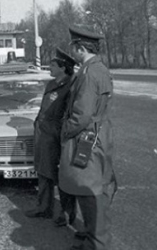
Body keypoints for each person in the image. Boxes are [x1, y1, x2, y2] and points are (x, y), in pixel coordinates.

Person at [59, 27, 116, 250]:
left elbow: (81, 115)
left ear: (80, 48)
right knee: (91, 191)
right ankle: (91, 239)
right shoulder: (96, 68)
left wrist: (65, 130)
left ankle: (97, 243)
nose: (72, 52)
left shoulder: (90, 73)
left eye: (73, 48)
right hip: (97, 135)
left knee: (91, 193)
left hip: (87, 139)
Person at [24, 48, 76, 226]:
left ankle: (66, 214)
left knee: (62, 175)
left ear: (63, 67)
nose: (49, 68)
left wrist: (59, 133)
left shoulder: (71, 86)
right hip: (43, 133)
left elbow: (69, 114)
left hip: (56, 135)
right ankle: (44, 208)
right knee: (44, 172)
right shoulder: (52, 83)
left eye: (53, 65)